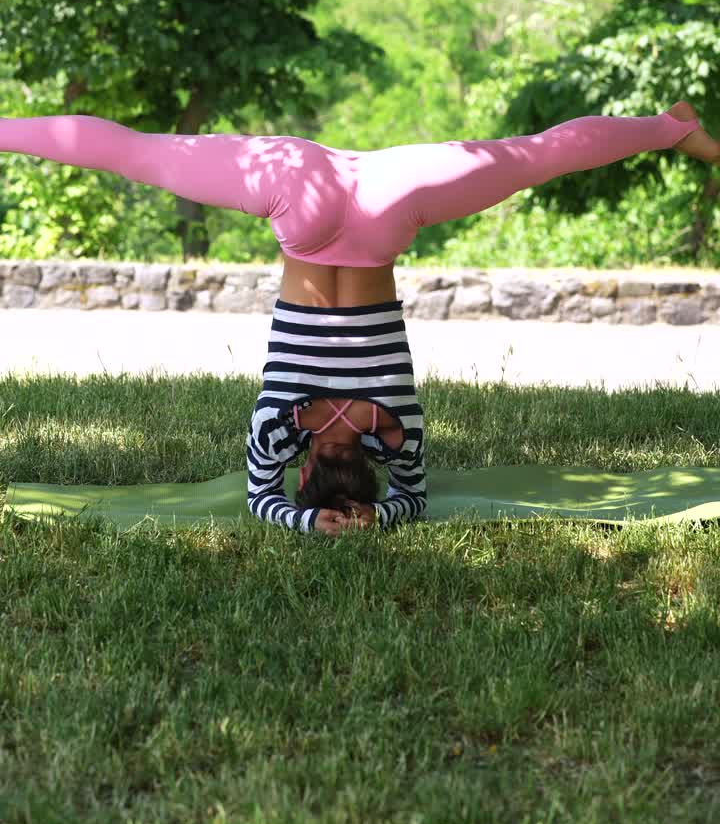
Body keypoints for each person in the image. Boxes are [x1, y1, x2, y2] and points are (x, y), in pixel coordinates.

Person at [1, 100, 717, 536]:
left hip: (388, 202)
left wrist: (379, 512)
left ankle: (667, 129)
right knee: (138, 153)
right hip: (296, 185)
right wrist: (307, 518)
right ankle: (670, 126)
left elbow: (413, 497)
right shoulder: (284, 424)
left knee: (532, 158)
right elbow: (259, 497)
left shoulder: (394, 430)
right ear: (307, 467)